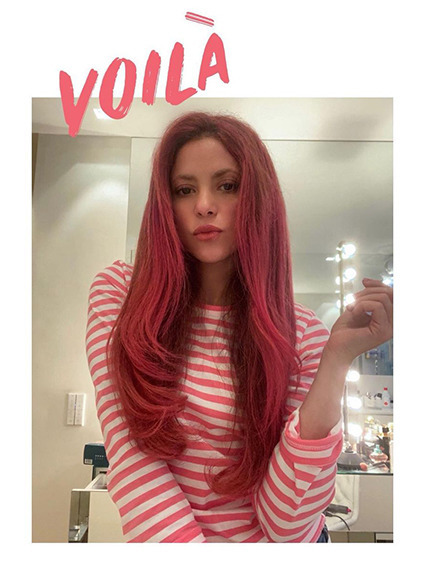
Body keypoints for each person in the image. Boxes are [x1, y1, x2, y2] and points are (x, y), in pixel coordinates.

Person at [86, 111, 393, 543]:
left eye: (227, 185)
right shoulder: (120, 297)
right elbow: (134, 464)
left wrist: (337, 361)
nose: (203, 204)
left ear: (257, 198)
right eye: (184, 189)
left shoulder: (303, 333)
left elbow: (286, 524)